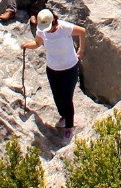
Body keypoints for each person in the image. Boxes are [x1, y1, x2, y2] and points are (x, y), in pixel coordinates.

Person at [21, 9, 86, 140]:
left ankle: (69, 126)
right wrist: (27, 45)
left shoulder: (64, 28)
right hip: (52, 69)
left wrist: (81, 50)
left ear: (54, 22)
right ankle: (63, 116)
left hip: (69, 68)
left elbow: (82, 31)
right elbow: (38, 43)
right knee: (57, 96)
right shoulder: (42, 31)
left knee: (67, 99)